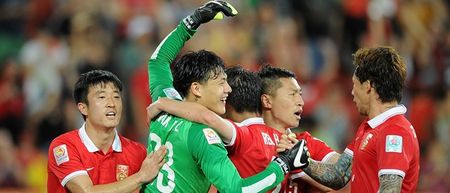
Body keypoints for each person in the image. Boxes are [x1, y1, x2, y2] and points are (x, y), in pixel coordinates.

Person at [142, 1, 309, 192]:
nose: (228, 89)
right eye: (221, 82)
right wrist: (283, 164)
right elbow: (238, 190)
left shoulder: (164, 103)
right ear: (196, 89)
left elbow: (158, 61)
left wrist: (192, 21)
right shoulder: (205, 135)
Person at [147, 65, 337, 193]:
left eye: (300, 94)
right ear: (266, 100)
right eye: (293, 94)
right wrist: (298, 163)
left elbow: (206, 117)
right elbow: (335, 181)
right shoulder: (299, 144)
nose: (301, 102)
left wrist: (163, 103)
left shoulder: (244, 135)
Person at [302, 46, 420, 193]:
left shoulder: (395, 131)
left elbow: (390, 190)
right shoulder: (369, 127)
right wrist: (302, 161)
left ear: (368, 86)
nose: (352, 92)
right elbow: (339, 174)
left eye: (354, 84)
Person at [47, 70, 167, 193]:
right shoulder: (64, 146)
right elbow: (85, 191)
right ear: (83, 108)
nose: (112, 104)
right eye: (102, 97)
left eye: (116, 97)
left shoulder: (138, 152)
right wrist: (140, 177)